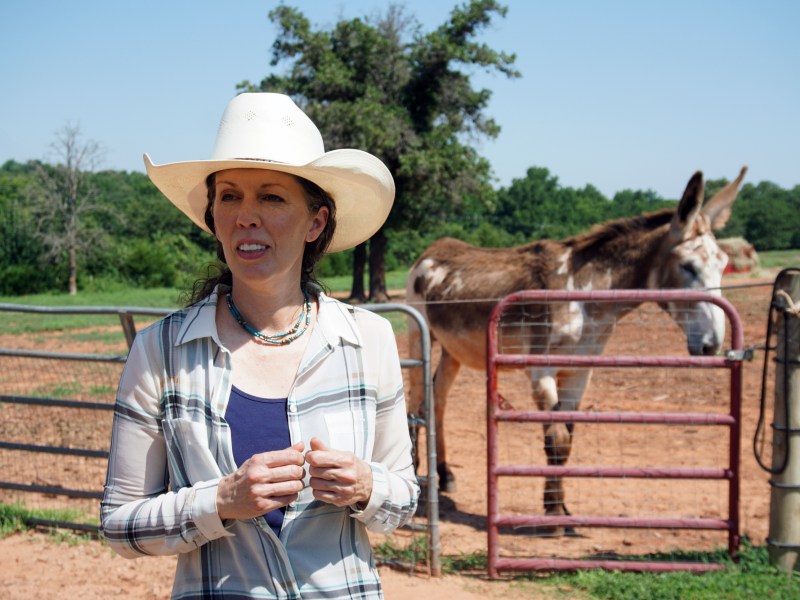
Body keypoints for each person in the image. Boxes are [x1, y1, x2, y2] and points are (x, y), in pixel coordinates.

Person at [101, 93, 419, 599]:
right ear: (213, 216)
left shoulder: (368, 340)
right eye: (229, 196)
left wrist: (364, 486)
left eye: (270, 197)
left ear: (315, 222)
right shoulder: (158, 352)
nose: (245, 216)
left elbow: (403, 500)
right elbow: (119, 525)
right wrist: (222, 499)